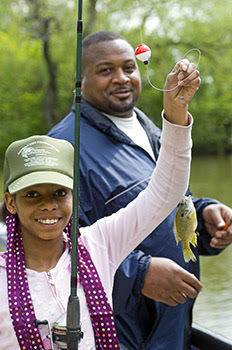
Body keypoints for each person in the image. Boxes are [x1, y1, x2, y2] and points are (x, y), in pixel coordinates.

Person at [48, 31, 232, 350]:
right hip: (122, 332)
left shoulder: (150, 128)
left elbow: (169, 204)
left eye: (129, 68)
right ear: (80, 79)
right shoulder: (62, 147)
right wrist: (139, 275)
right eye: (106, 70)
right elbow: (54, 249)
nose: (121, 78)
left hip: (173, 323)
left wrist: (204, 215)